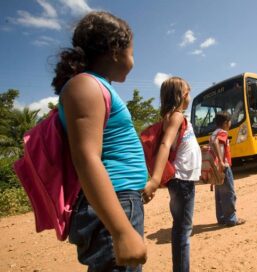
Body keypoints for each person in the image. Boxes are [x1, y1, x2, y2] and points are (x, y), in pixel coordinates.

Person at [52, 11, 147, 271]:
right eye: (132, 51)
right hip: (113, 205)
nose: (133, 60)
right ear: (116, 50)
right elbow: (86, 158)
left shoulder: (98, 86)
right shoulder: (85, 86)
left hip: (121, 199)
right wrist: (120, 230)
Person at [143, 77, 201, 272]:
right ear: (181, 95)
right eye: (188, 91)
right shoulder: (176, 116)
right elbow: (165, 144)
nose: (190, 94)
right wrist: (155, 179)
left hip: (182, 179)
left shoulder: (174, 117)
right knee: (183, 230)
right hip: (182, 180)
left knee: (180, 228)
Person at [210, 111, 245, 227]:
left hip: (215, 168)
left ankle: (221, 219)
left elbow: (213, 143)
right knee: (229, 193)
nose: (230, 123)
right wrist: (221, 161)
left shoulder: (213, 133)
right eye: (230, 121)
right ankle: (231, 219)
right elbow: (215, 143)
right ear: (226, 123)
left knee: (219, 194)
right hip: (224, 167)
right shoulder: (223, 133)